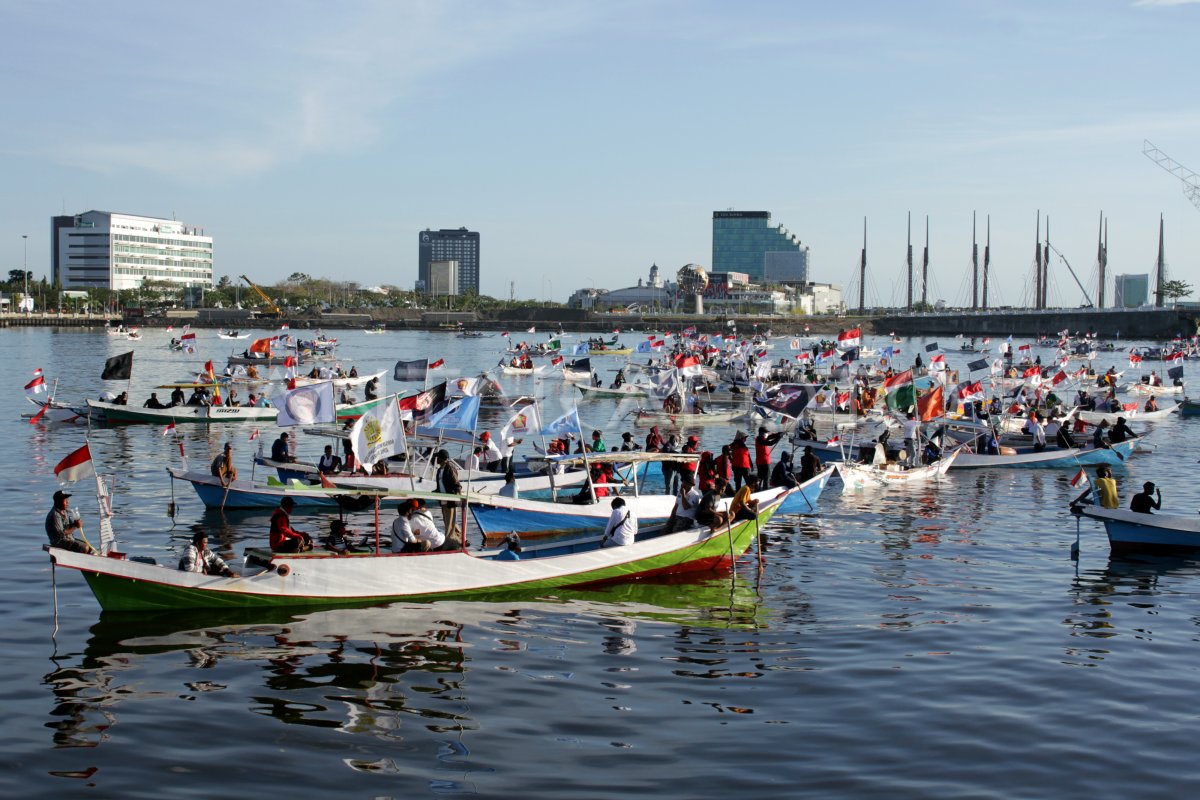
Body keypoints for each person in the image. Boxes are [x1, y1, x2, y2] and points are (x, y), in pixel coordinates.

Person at [434, 450, 462, 546]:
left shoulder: (449, 467)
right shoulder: (439, 470)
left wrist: (455, 496)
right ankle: (461, 539)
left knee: (449, 523)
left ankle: (449, 542)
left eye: (438, 457)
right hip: (443, 500)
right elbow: (441, 485)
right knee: (449, 521)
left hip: (449, 500)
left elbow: (456, 484)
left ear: (443, 459)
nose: (436, 459)